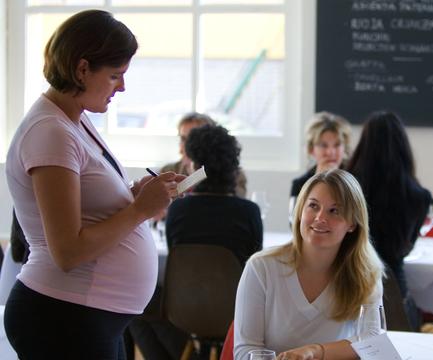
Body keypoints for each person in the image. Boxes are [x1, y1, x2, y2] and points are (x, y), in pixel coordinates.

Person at [3, 10, 180, 359]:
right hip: (63, 316)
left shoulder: (72, 120)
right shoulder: (50, 132)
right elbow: (68, 251)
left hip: (83, 315)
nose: (123, 87)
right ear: (82, 69)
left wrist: (132, 198)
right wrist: (140, 209)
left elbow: (85, 208)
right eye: (116, 75)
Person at [130, 124, 263, 360]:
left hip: (185, 310)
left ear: (192, 164)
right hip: (237, 314)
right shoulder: (248, 212)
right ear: (234, 166)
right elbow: (255, 266)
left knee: (137, 308)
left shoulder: (178, 210)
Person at [234, 169, 384, 360]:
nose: (320, 218)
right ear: (299, 211)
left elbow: (373, 340)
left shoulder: (366, 273)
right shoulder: (261, 267)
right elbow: (245, 350)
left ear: (352, 224)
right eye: (313, 206)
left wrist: (315, 352)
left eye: (334, 210)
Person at [346, 111, 433, 299]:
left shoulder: (348, 187)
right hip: (394, 292)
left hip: (348, 285)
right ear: (403, 147)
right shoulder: (419, 197)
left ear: (363, 145)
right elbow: (429, 206)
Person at [161, 112, 247, 198]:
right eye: (183, 138)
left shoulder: (234, 175)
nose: (187, 144)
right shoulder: (168, 171)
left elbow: (234, 205)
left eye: (195, 138)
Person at [290, 112, 351, 200]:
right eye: (323, 145)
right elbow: (297, 213)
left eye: (337, 145)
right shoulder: (299, 184)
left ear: (344, 147)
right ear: (311, 149)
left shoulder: (356, 180)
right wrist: (319, 180)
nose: (330, 152)